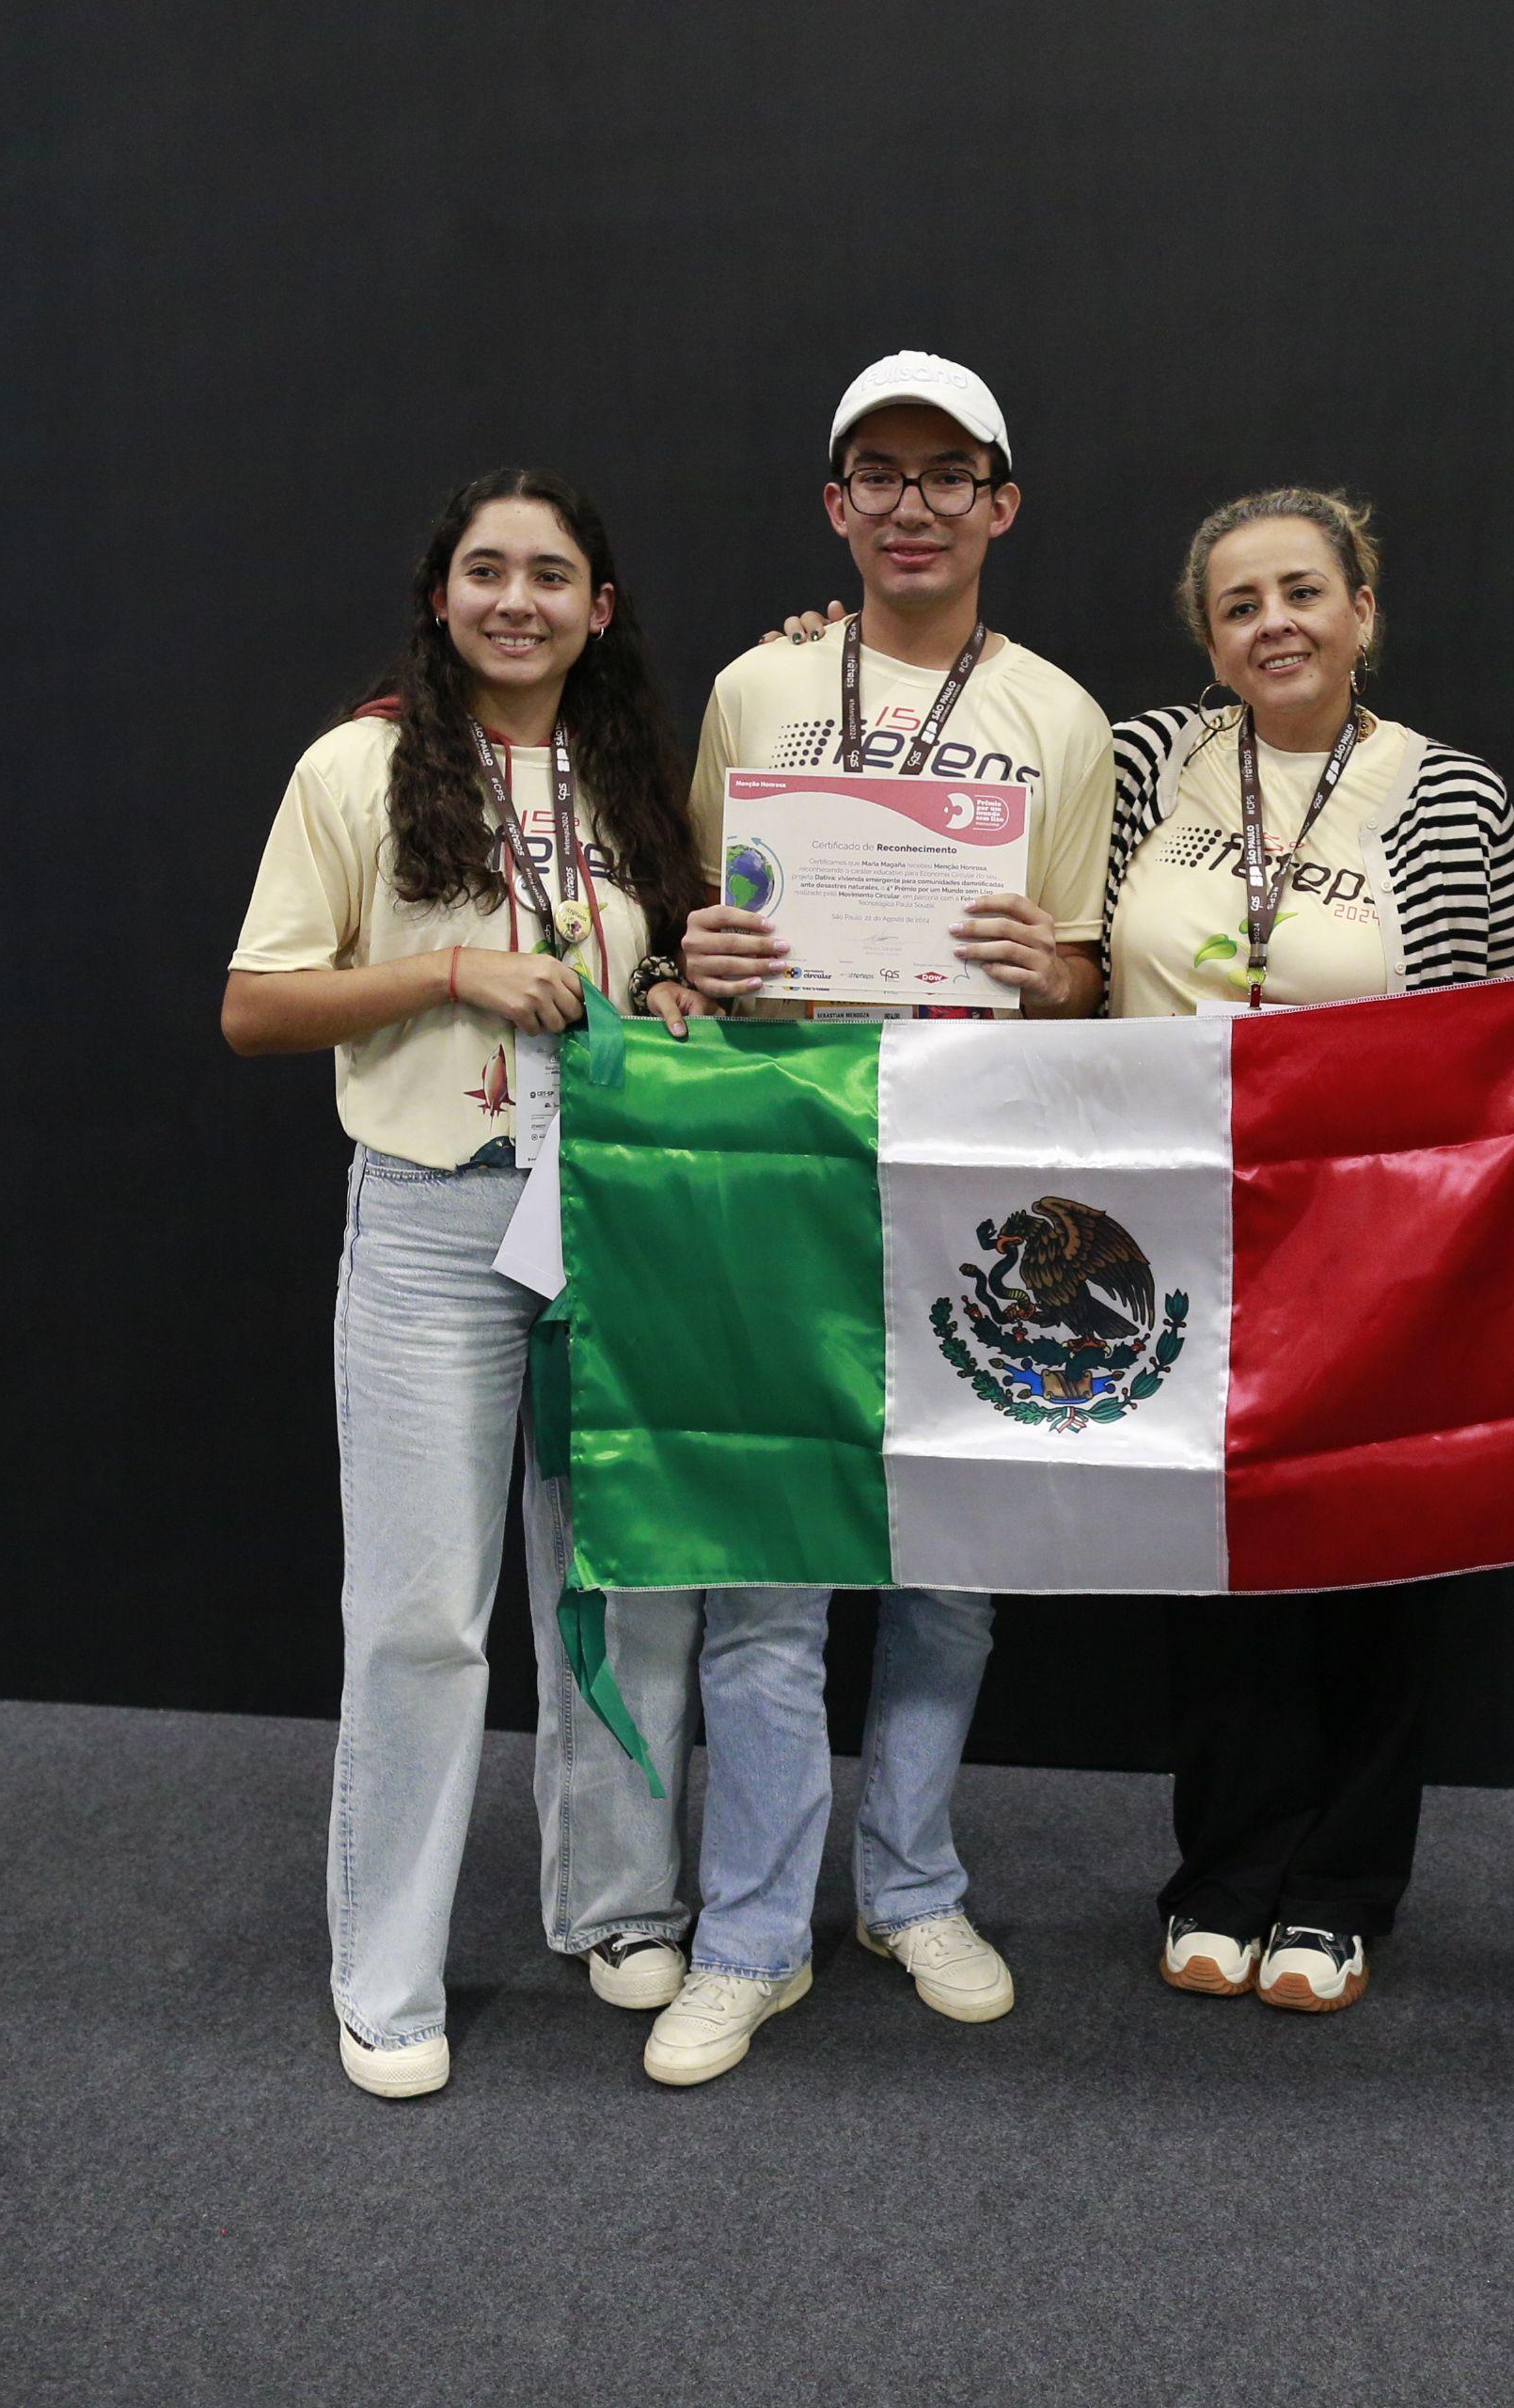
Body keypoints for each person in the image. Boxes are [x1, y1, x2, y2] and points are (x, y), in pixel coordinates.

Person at [641, 351, 1116, 2088]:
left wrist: (1051, 970)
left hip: (975, 1165)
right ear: (836, 506)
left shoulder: (1061, 719)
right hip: (782, 1157)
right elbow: (702, 916)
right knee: (768, 1578)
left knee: (953, 1573)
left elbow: (1091, 970)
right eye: (879, 473)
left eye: (950, 472)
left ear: (1002, 501)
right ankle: (749, 1933)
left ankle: (911, 1882)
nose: (914, 503)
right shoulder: (755, 689)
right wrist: (698, 953)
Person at [222, 468, 716, 2099]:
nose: (519, 600)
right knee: (426, 1615)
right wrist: (449, 970)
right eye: (486, 572)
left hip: (615, 1220)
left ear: (601, 609)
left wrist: (676, 997)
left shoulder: (633, 773)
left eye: (552, 574)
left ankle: (622, 1902)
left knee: (627, 1579)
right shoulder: (355, 765)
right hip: (437, 1220)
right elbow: (256, 1006)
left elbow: (660, 966)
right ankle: (386, 1972)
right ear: (441, 598)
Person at [1101, 488, 1514, 2012]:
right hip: (1169, 1235)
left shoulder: (1454, 797)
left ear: (1363, 610)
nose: (1272, 621)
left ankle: (1343, 1886)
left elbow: (1498, 1036)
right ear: (1207, 637)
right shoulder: (1150, 762)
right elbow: (1087, 965)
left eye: (1302, 591)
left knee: (1369, 1552)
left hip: (1376, 1248)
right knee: (1210, 1567)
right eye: (1238, 603)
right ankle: (1222, 1872)